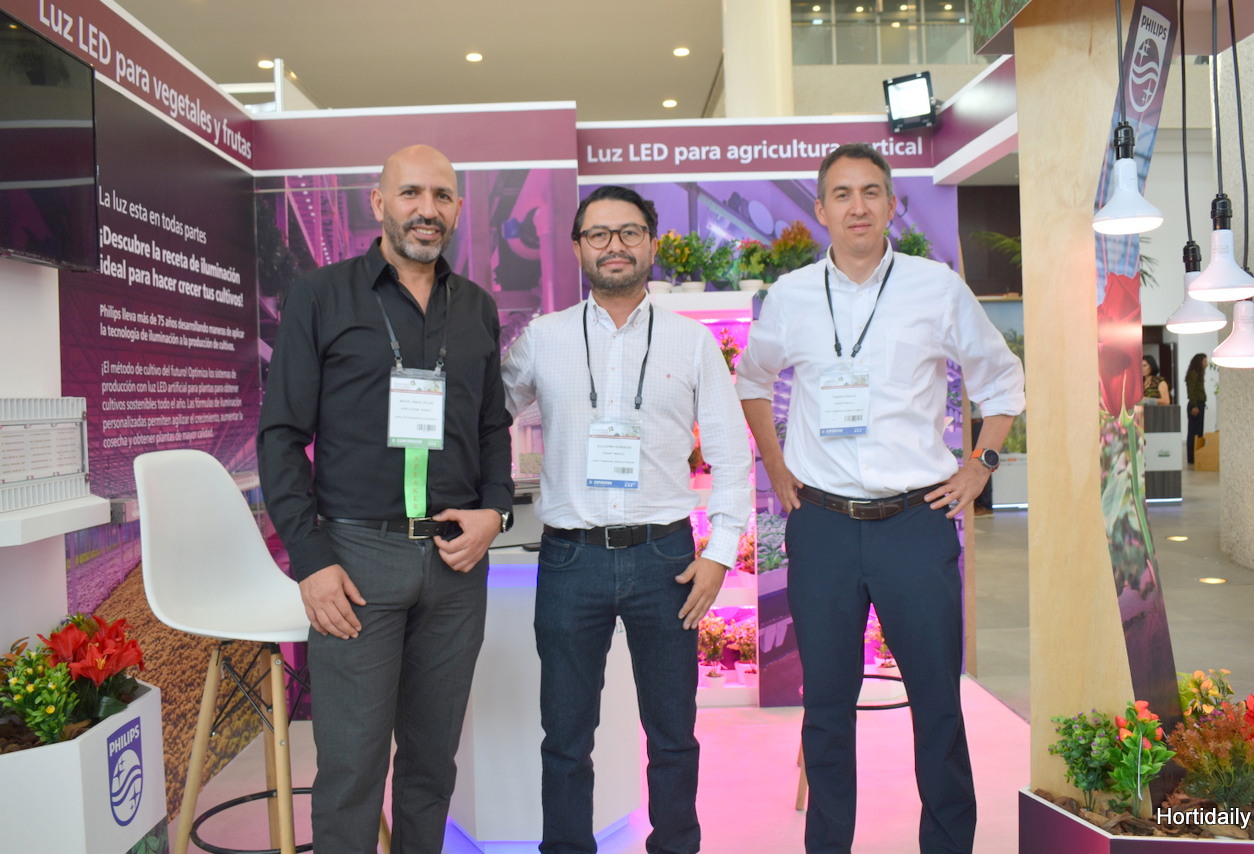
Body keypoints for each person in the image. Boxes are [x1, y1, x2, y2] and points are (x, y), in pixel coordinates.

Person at [735, 143, 1025, 854]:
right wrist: (774, 465)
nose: (858, 206)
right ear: (820, 210)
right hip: (822, 526)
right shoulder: (792, 296)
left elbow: (1001, 379)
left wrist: (981, 464)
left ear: (893, 204)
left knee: (938, 703)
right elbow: (751, 380)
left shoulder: (936, 287)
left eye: (871, 191)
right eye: (842, 194)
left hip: (915, 523)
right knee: (827, 710)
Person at [258, 144, 514, 854]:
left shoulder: (477, 308)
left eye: (442, 196)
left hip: (455, 562)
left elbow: (493, 426)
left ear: (457, 208)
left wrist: (496, 511)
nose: (426, 209)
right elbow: (280, 436)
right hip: (354, 561)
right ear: (378, 203)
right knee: (351, 769)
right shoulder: (322, 295)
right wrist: (311, 561)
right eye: (411, 193)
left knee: (432, 767)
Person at [502, 185, 752, 854]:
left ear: (652, 242)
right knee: (565, 738)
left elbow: (731, 453)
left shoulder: (692, 343)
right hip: (570, 559)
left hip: (665, 561)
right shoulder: (543, 339)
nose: (614, 245)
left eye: (629, 232)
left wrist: (720, 551)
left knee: (673, 735)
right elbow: (485, 414)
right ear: (578, 247)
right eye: (599, 234)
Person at [1185, 352, 1208, 464]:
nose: (1206, 364)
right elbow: (1191, 391)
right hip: (1195, 405)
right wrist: (1194, 406)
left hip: (1200, 404)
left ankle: (1197, 455)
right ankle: (1192, 457)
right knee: (1193, 432)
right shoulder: (1193, 374)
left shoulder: (1199, 374)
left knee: (1199, 432)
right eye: (1204, 361)